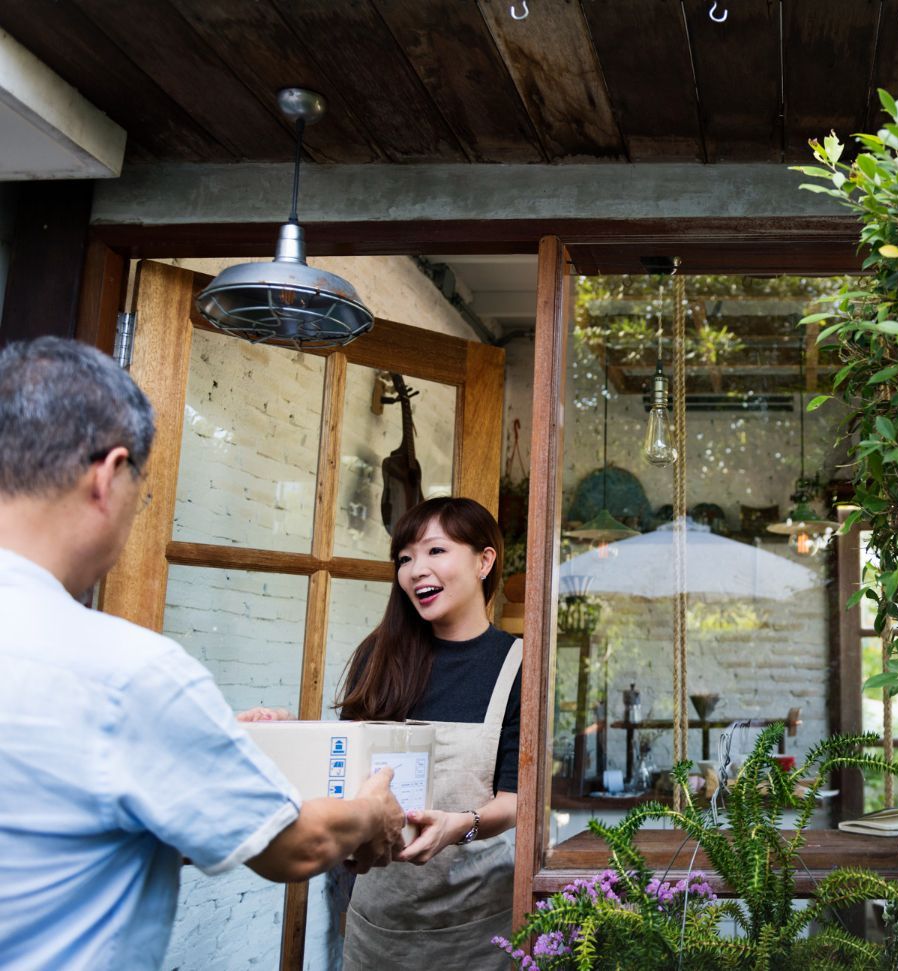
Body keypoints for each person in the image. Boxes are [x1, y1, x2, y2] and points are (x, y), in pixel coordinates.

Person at [0, 337, 406, 971]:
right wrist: (371, 811)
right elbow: (295, 847)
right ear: (108, 476)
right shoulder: (127, 676)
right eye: (145, 486)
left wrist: (204, 742)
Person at [335, 495, 524, 968]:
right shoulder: (377, 656)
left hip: (481, 929)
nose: (416, 569)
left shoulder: (519, 663)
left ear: (485, 561)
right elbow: (342, 772)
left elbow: (516, 797)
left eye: (435, 551)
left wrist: (461, 824)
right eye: (405, 557)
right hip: (380, 923)